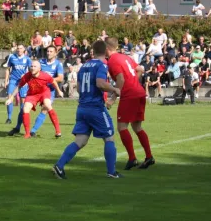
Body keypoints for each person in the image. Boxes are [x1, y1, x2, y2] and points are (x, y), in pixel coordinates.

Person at [52, 40, 122, 180]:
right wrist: (115, 89)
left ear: (93, 51)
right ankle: (112, 172)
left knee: (80, 141)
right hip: (95, 108)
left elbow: (78, 88)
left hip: (82, 108)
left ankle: (59, 165)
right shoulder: (102, 65)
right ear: (106, 51)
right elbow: (100, 84)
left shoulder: (83, 66)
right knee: (109, 137)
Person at [105, 38, 155, 170]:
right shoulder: (124, 57)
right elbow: (140, 69)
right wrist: (133, 81)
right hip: (139, 92)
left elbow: (120, 79)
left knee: (122, 127)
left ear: (106, 48)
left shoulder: (112, 60)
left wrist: (113, 98)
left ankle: (132, 158)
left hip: (129, 95)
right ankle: (149, 157)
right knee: (137, 127)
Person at [5, 60, 64, 139]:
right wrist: (11, 97)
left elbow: (53, 81)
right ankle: (27, 134)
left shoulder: (45, 76)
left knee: (47, 105)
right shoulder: (27, 76)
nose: (32, 68)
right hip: (32, 94)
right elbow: (19, 86)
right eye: (31, 66)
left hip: (44, 93)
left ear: (39, 69)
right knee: (25, 108)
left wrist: (59, 91)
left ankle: (58, 131)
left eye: (35, 66)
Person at [30, 46, 64, 137]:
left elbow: (60, 78)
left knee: (45, 108)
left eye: (51, 51)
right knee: (25, 107)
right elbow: (33, 71)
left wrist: (48, 79)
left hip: (49, 90)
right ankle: (18, 127)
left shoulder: (58, 64)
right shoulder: (41, 62)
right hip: (36, 89)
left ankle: (33, 131)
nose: (48, 53)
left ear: (55, 53)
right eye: (47, 51)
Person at [4, 44, 31, 132]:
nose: (19, 50)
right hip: (13, 80)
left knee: (23, 101)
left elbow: (31, 71)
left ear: (24, 50)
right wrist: (6, 80)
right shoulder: (12, 57)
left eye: (21, 48)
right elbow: (8, 69)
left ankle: (20, 121)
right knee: (10, 97)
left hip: (23, 82)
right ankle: (9, 118)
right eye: (18, 48)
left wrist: (26, 76)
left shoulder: (27, 59)